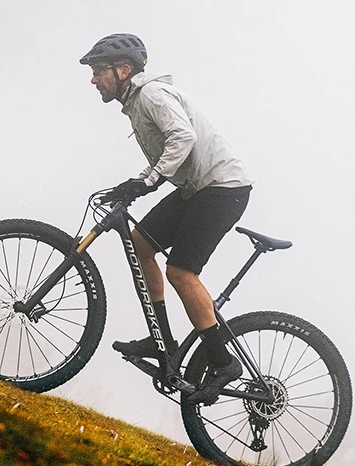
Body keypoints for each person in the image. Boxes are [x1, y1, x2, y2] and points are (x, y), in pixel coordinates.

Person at [80, 33, 254, 405]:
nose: (94, 80)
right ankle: (164, 340)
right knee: (142, 245)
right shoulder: (136, 101)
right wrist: (141, 180)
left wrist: (147, 179)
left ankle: (223, 363)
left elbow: (183, 137)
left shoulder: (151, 96)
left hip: (223, 189)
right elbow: (173, 150)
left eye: (98, 72)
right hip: (198, 188)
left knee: (181, 271)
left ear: (123, 69)